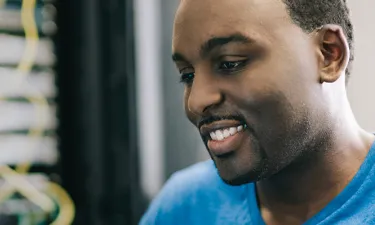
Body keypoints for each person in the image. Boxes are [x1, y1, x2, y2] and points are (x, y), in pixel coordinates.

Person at [140, 0, 375, 224]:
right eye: (187, 75)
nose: (196, 101)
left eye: (230, 63)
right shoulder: (183, 207)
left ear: (328, 54)